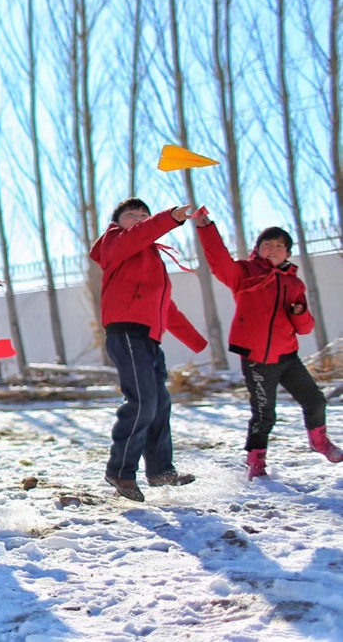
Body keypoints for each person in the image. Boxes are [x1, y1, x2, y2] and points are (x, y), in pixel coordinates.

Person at [194, 211, 343, 478]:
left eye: (279, 246)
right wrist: (206, 228)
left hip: (288, 357)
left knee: (316, 400)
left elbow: (305, 328)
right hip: (257, 360)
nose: (273, 249)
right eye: (267, 244)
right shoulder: (244, 273)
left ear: (287, 253)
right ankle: (256, 462)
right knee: (264, 415)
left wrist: (299, 313)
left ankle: (319, 441)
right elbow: (219, 261)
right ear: (257, 249)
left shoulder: (294, 283)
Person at [91, 199, 207, 502]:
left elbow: (166, 307)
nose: (141, 220)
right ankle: (120, 470)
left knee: (159, 403)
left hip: (149, 339)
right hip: (126, 332)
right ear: (118, 222)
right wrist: (169, 217)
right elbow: (136, 236)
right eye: (134, 216)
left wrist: (197, 342)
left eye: (145, 215)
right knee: (142, 401)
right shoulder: (114, 243)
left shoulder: (151, 258)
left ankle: (160, 470)